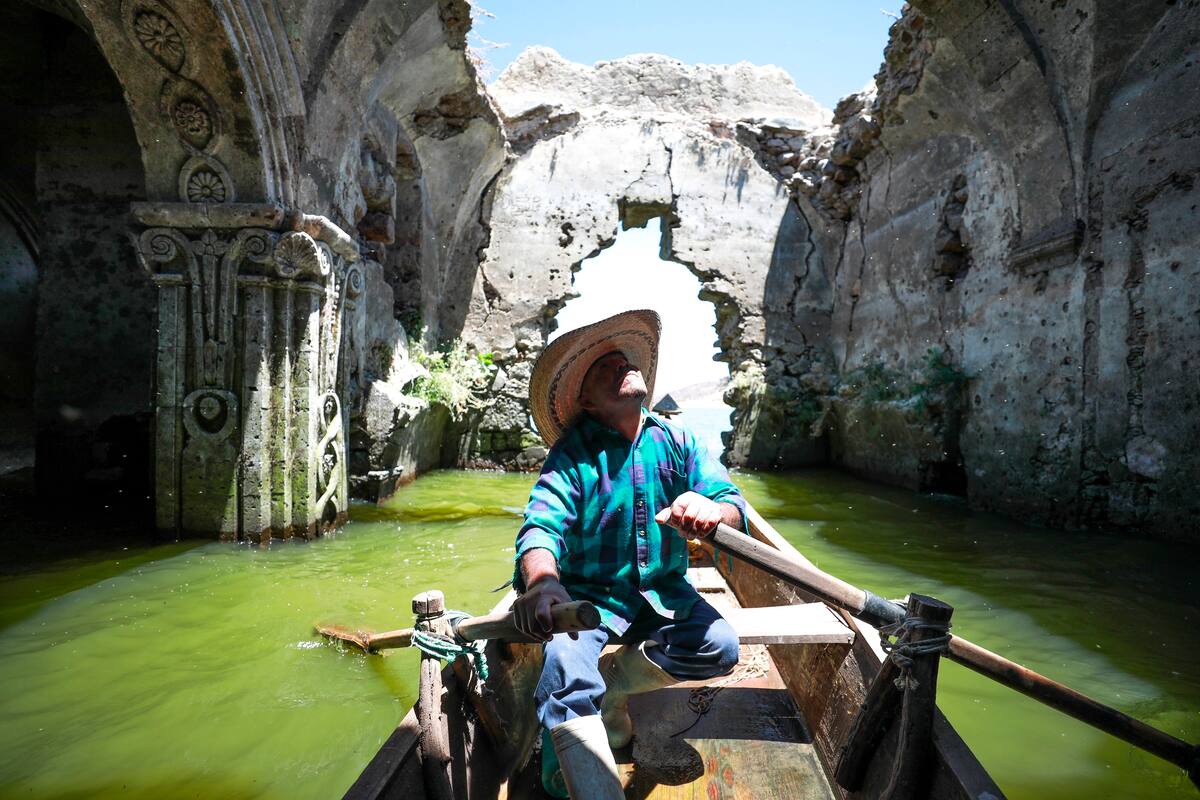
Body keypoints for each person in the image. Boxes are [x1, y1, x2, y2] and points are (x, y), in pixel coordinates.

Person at [511, 309, 747, 799]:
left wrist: (712, 510)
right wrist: (544, 583)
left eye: (625, 361)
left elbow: (731, 504)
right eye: (606, 368)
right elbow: (541, 526)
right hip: (589, 601)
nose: (624, 366)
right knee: (564, 671)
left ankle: (614, 685)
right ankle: (576, 775)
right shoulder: (572, 455)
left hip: (663, 593)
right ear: (587, 402)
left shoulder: (679, 440)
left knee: (720, 646)